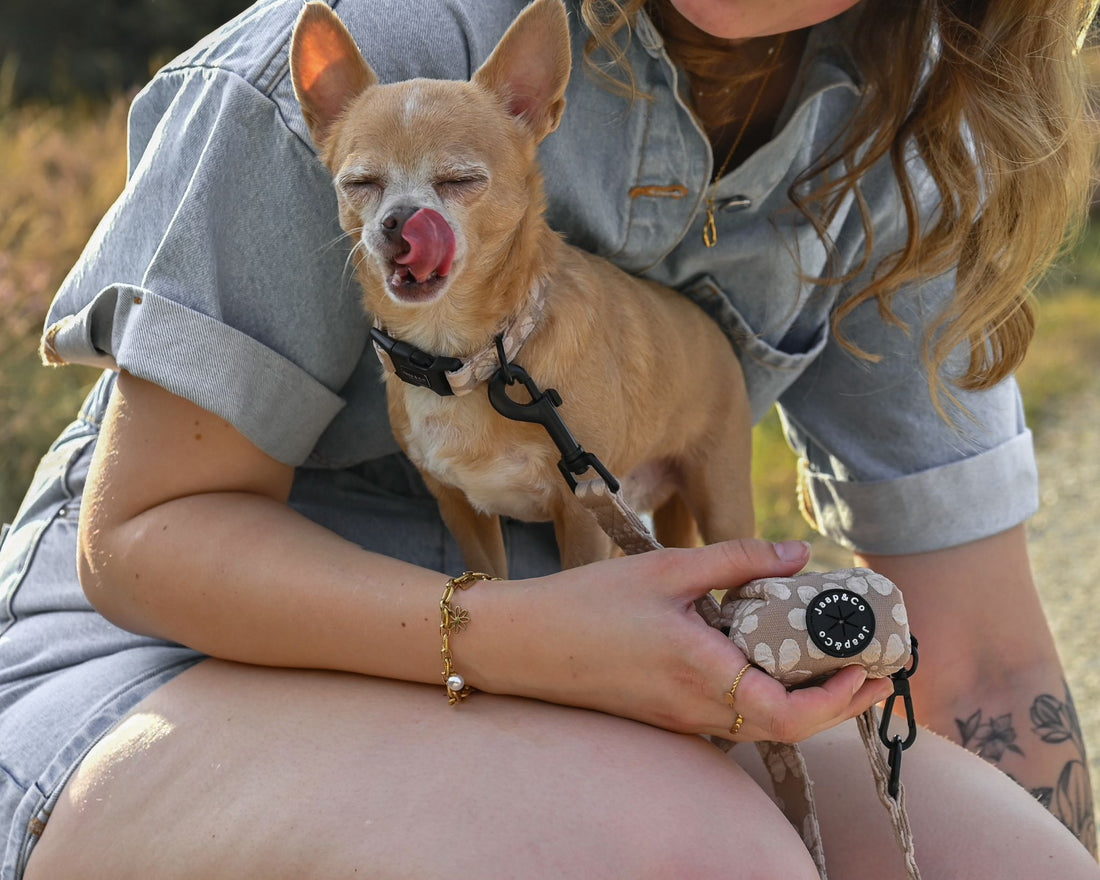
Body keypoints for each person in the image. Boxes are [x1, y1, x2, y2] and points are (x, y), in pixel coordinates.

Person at [2, 0, 1097, 876]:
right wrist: (523, 637)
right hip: (177, 664)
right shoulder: (395, 52)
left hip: (596, 666)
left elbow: (988, 662)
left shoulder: (907, 138)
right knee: (696, 852)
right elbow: (142, 535)